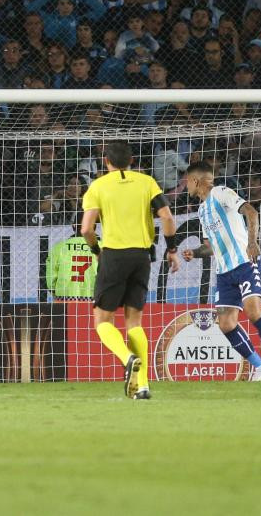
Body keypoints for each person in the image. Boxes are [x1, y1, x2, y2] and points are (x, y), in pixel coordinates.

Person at [80, 140, 182, 399]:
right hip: (141, 256)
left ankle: (127, 358)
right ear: (132, 160)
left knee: (102, 320)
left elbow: (86, 229)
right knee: (134, 321)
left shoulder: (97, 186)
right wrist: (171, 250)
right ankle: (143, 385)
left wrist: (96, 251)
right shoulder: (147, 182)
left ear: (106, 162)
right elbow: (168, 217)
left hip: (113, 254)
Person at [181, 160, 261, 382]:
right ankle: (260, 368)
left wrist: (252, 242)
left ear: (195, 180)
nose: (186, 187)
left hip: (244, 262)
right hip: (224, 273)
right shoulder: (203, 210)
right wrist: (194, 252)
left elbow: (251, 212)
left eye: (187, 182)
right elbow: (211, 246)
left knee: (253, 311)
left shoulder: (221, 192)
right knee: (226, 324)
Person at [46, 224, 98, 300]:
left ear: (73, 226)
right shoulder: (102, 247)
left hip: (64, 297)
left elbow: (51, 278)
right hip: (94, 297)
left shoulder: (59, 247)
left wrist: (54, 292)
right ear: (95, 227)